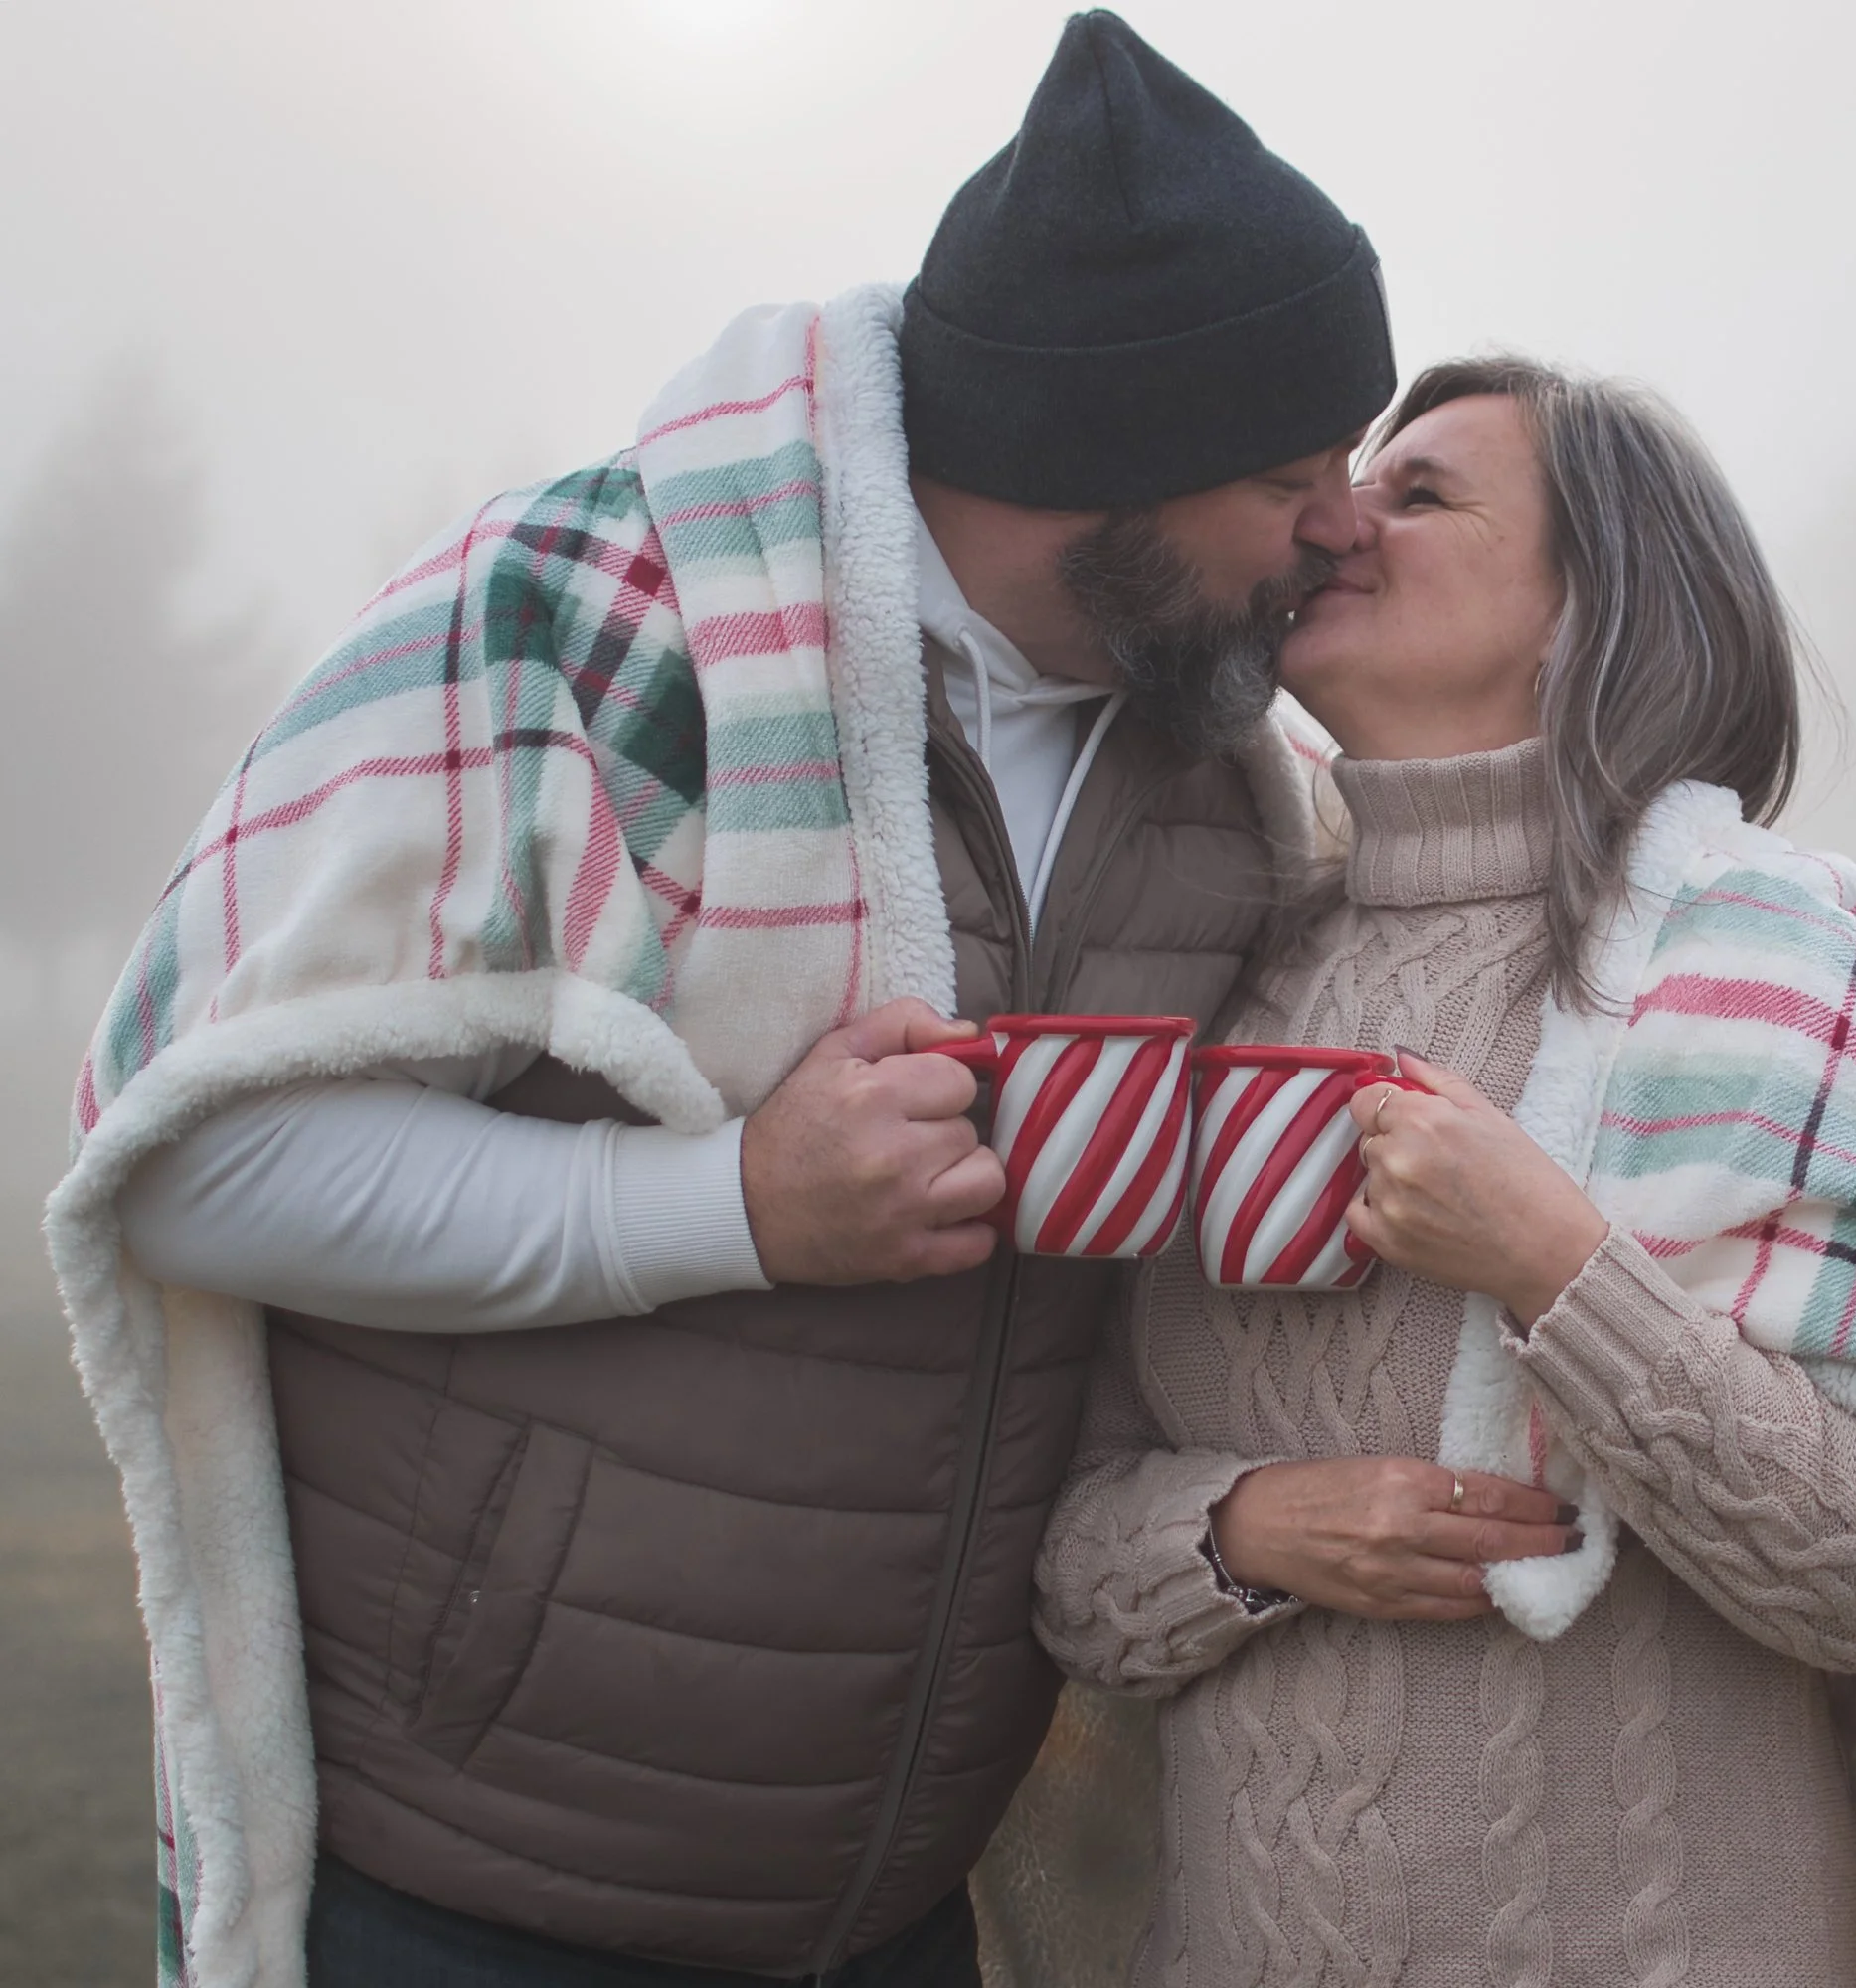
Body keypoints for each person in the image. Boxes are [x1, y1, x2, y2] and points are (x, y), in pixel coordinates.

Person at [46, 14, 1395, 1987]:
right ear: (1094, 457)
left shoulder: (1233, 777)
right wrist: (733, 1205)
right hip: (467, 1913)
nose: (1346, 524)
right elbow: (192, 1161)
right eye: (1289, 471)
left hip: (898, 1918)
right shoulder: (577, 625)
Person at [1033, 360, 1856, 1986]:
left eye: (1421, 493)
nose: (1336, 521)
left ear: (1590, 610)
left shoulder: (1742, 965)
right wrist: (1249, 1531)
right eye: (1351, 484)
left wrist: (1553, 1265)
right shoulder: (1224, 968)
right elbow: (1061, 1562)